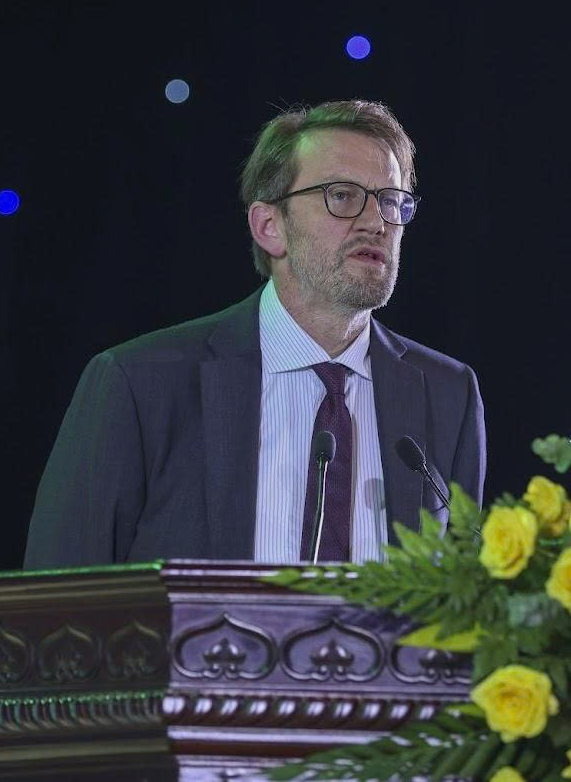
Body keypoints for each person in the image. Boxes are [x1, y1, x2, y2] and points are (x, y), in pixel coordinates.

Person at [24, 100, 485, 567]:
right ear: (269, 227)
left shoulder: (448, 394)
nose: (376, 223)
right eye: (343, 196)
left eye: (390, 200)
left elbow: (467, 594)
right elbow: (57, 592)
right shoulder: (139, 384)